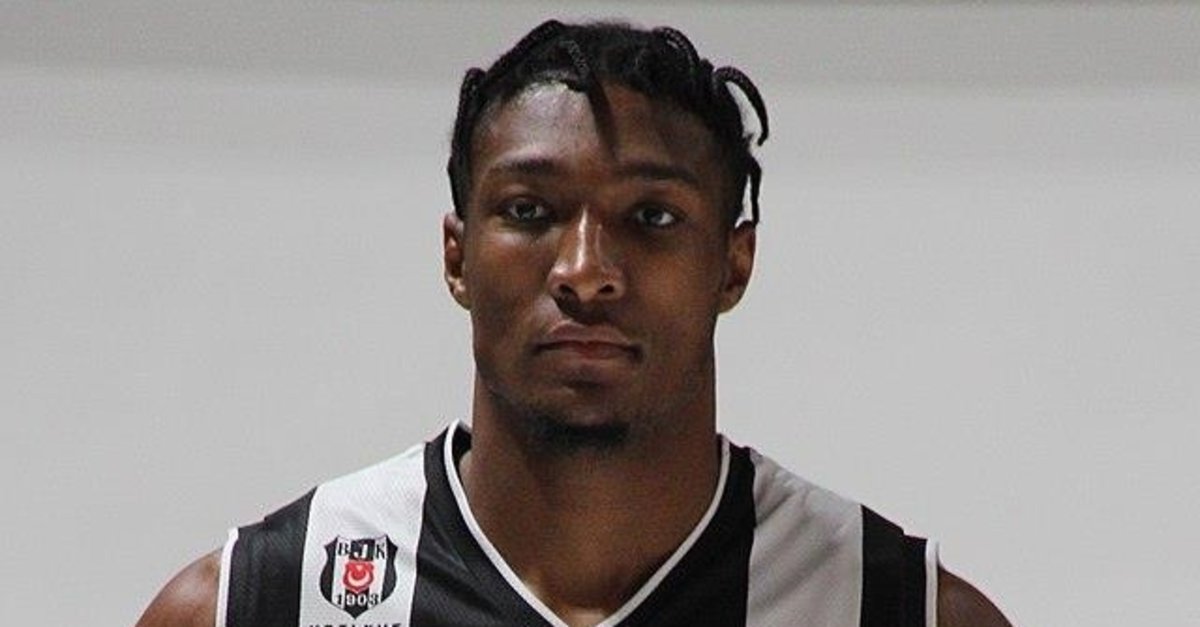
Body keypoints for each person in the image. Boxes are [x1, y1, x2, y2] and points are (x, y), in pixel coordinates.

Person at [138, 20, 1011, 627]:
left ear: (733, 263)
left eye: (652, 217)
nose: (586, 271)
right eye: (529, 210)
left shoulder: (893, 610)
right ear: (456, 255)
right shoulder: (257, 606)